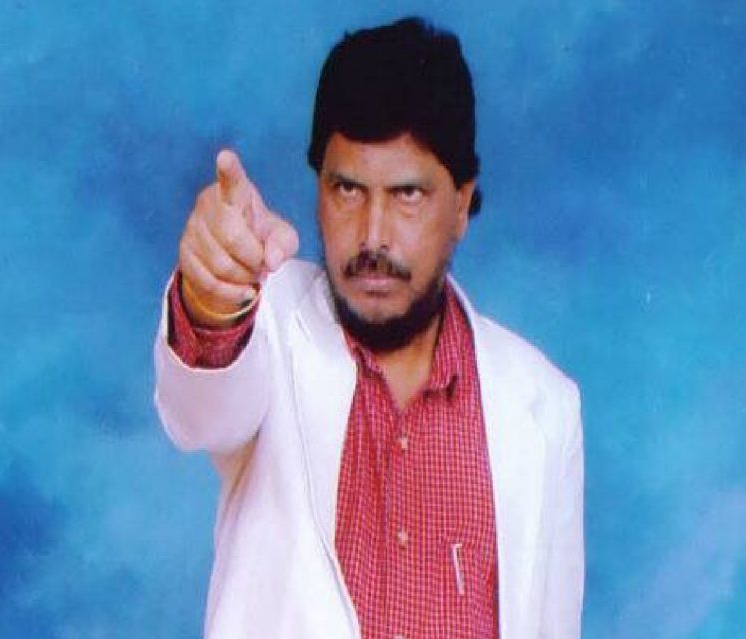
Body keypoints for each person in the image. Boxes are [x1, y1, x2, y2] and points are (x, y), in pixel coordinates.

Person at [154, 16, 584, 639]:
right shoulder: (267, 321)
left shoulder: (546, 406)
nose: (373, 236)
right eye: (347, 190)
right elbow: (200, 412)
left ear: (462, 204)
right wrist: (212, 293)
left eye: (407, 195)